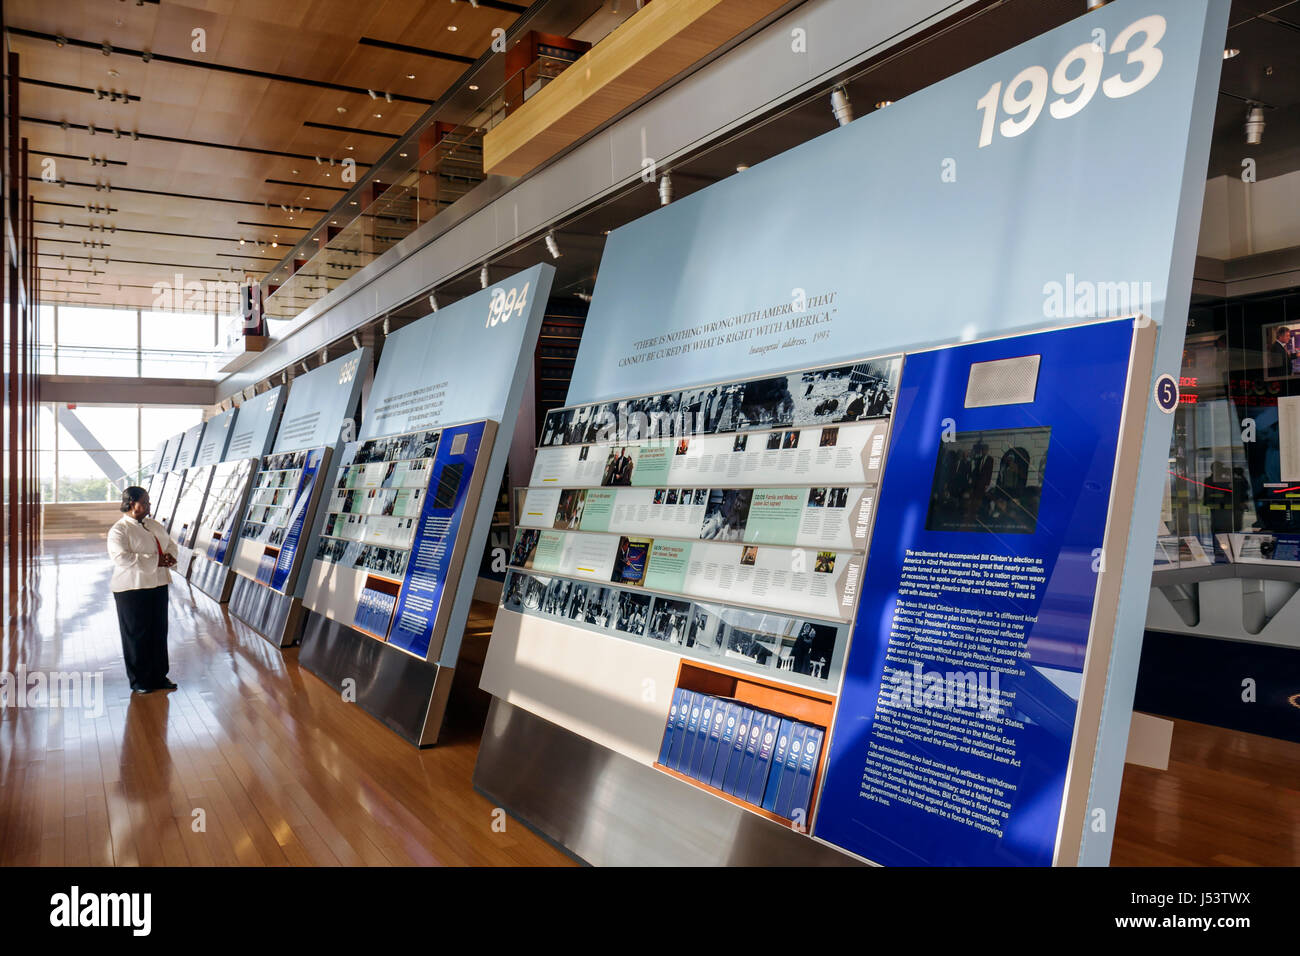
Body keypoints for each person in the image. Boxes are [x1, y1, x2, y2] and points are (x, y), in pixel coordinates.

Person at [107, 486, 179, 694]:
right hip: (131, 588)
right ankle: (140, 680)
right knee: (137, 634)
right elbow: (121, 557)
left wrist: (170, 557)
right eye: (144, 502)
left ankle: (159, 676)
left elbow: (170, 544)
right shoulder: (119, 530)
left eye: (148, 502)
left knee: (158, 631)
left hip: (158, 584)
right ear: (131, 504)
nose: (148, 506)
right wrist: (157, 560)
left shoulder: (154, 525)